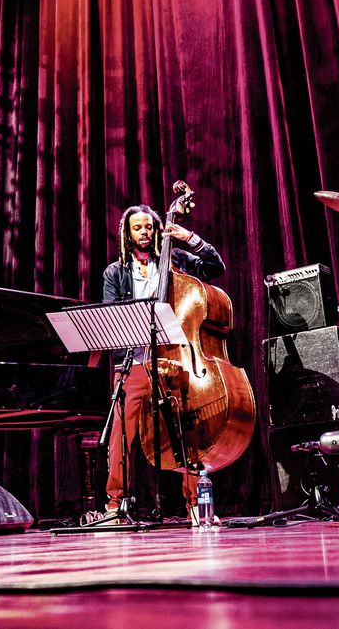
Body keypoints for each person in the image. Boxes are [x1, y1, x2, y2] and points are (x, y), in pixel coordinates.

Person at [97, 204, 225, 521]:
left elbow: (215, 267)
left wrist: (191, 239)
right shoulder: (115, 273)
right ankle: (115, 504)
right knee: (120, 436)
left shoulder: (176, 260)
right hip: (135, 362)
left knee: (187, 432)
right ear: (127, 234)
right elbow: (110, 315)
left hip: (177, 361)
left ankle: (196, 504)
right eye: (137, 228)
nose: (144, 233)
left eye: (149, 227)